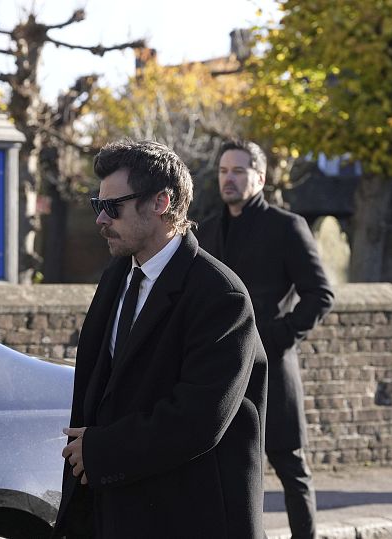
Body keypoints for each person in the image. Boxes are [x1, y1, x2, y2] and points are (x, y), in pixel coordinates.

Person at [53, 139, 267, 538]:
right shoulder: (117, 276)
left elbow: (201, 417)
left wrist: (103, 451)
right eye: (97, 205)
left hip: (185, 516)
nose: (101, 220)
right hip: (115, 509)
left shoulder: (220, 295)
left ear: (160, 203)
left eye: (112, 207)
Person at [196, 139, 334, 539]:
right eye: (224, 171)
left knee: (292, 468)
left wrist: (278, 336)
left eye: (238, 171)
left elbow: (320, 294)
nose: (229, 179)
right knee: (230, 471)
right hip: (224, 372)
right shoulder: (206, 229)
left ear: (260, 176)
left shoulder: (287, 226)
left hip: (273, 366)